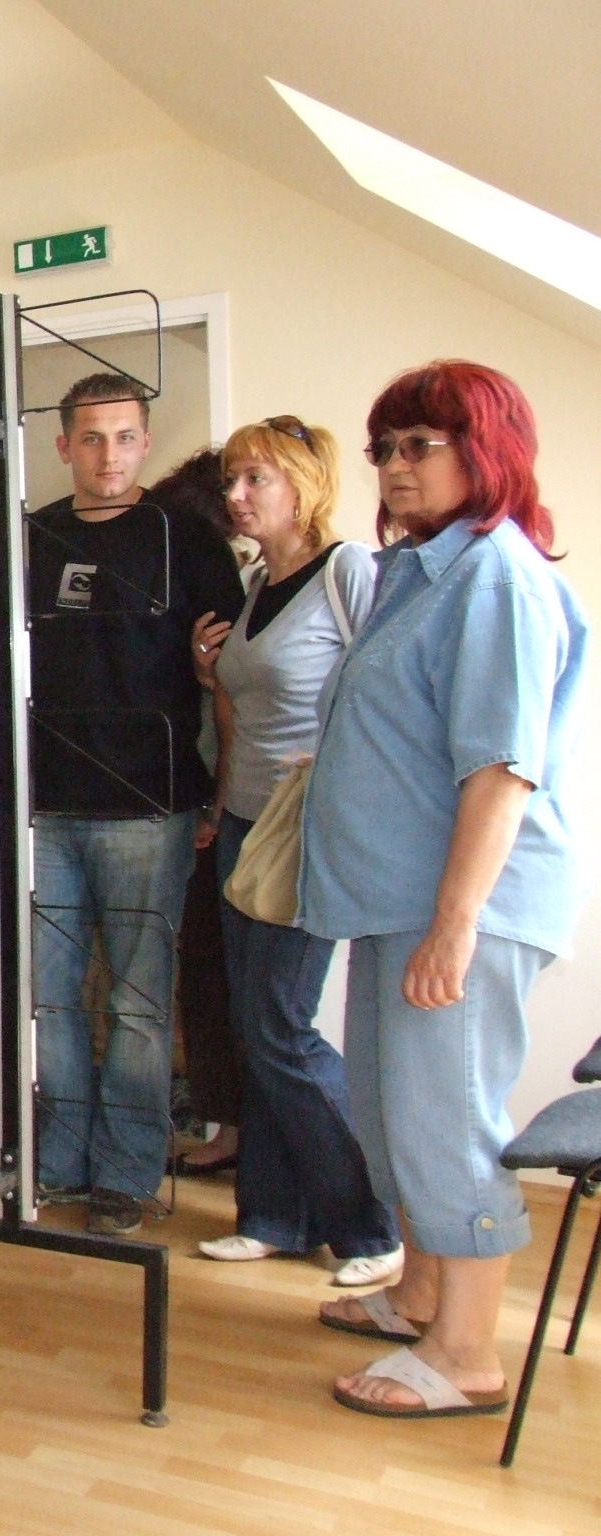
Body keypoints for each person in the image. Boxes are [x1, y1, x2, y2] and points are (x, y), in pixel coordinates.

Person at [303, 362, 587, 1419]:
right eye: (383, 447)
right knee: (394, 1117)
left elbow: (500, 770)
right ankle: (421, 1294)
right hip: (399, 902)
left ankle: (466, 1352)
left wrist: (454, 926)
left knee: (445, 1118)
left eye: (418, 444)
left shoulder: (494, 579)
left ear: (485, 450)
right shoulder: (423, 572)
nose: (393, 465)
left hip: (462, 907)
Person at [28, 375, 246, 1235]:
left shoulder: (188, 540)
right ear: (64, 446)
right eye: (91, 437)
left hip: (150, 807)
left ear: (145, 443)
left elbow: (235, 677)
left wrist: (217, 792)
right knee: (48, 1000)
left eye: (124, 437)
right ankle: (56, 1163)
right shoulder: (32, 537)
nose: (108, 455)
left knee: (138, 1004)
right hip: (44, 808)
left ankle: (124, 1174)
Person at [187, 418, 400, 1284]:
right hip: (244, 824)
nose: (237, 496)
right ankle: (274, 1216)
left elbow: (386, 692)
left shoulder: (347, 572)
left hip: (306, 825)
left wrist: (343, 778)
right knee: (254, 1027)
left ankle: (371, 1227)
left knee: (279, 1026)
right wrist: (211, 679)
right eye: (232, 480)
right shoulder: (253, 585)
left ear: (304, 485)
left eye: (256, 479)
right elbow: (244, 708)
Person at [148, 448, 244, 1177]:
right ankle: (231, 1129)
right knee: (206, 975)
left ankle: (240, 1132)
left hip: (236, 804)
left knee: (233, 987)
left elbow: (230, 711)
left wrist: (213, 801)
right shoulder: (240, 582)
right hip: (212, 799)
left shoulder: (238, 584)